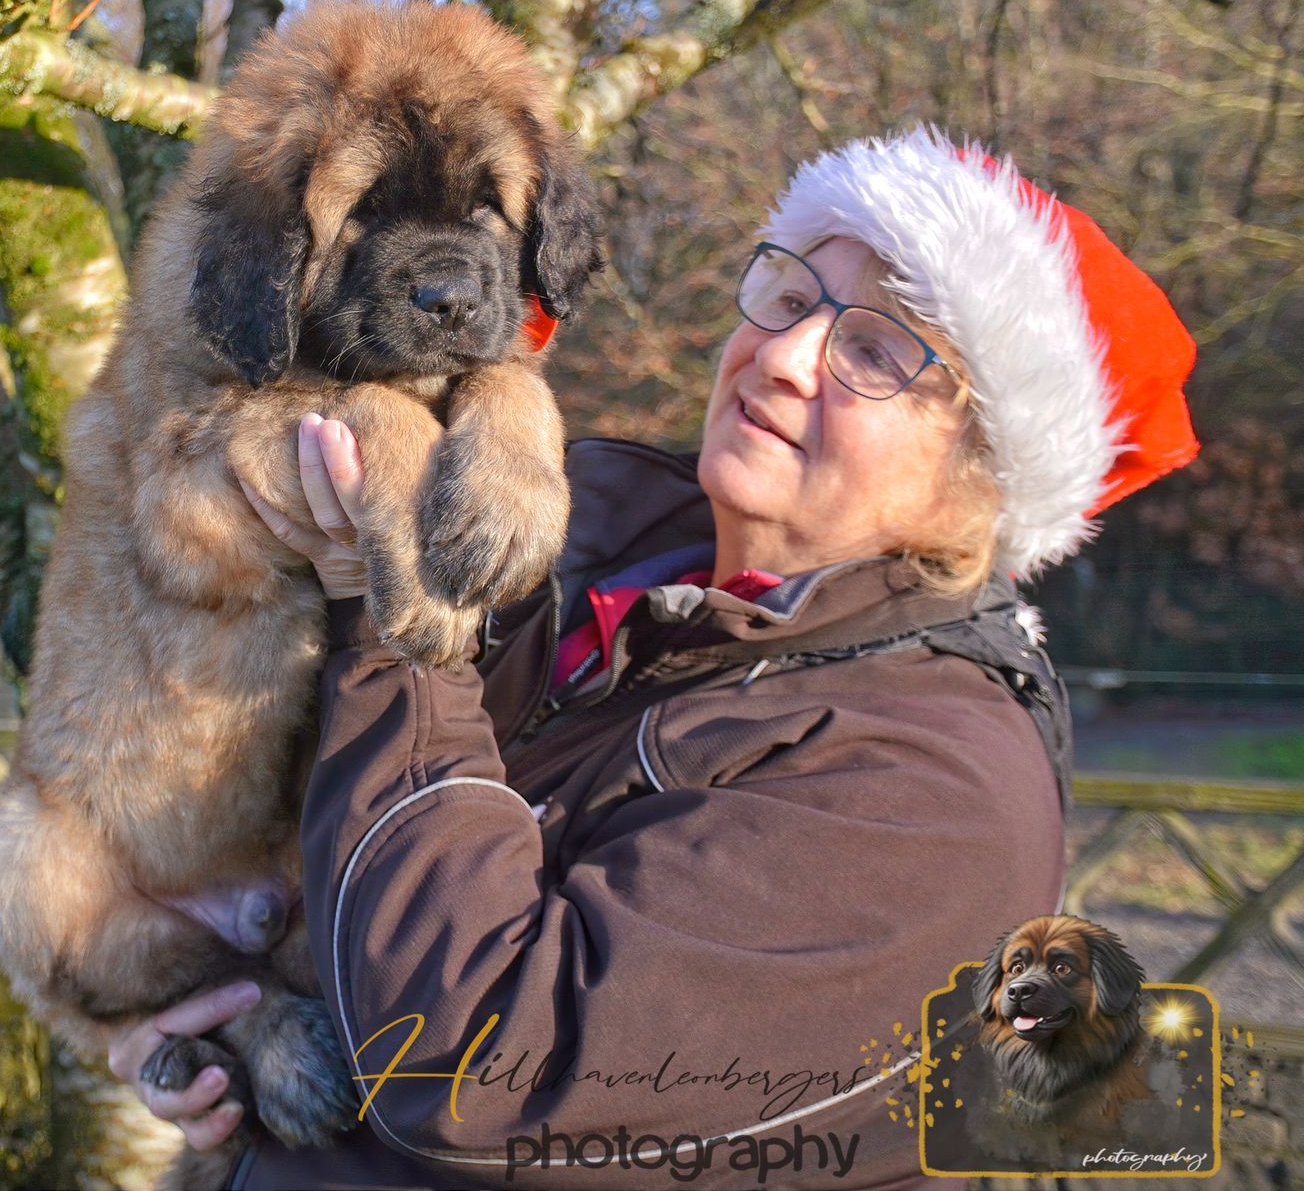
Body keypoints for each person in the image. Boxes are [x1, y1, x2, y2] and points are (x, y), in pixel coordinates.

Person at [106, 127, 1200, 1188]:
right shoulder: (579, 549)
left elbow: (489, 1073)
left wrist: (400, 618)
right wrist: (207, 999)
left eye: (875, 348)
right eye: (788, 296)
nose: (780, 354)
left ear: (984, 475)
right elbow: (325, 834)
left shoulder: (938, 793)